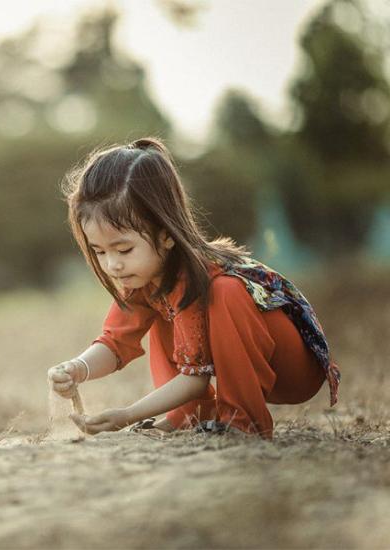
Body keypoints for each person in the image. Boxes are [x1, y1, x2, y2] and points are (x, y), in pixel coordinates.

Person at [47, 137, 341, 440]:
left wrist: (127, 415)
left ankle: (244, 422)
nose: (112, 265)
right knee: (164, 312)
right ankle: (190, 416)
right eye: (99, 251)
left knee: (225, 292)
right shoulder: (140, 279)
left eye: (123, 250)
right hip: (242, 366)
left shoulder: (198, 277)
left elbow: (194, 381)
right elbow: (114, 343)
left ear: (166, 234)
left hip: (292, 368)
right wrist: (77, 368)